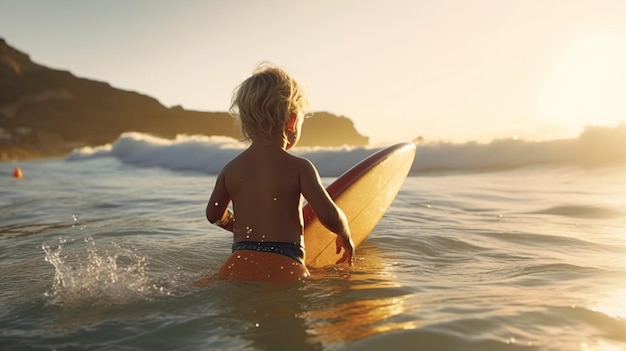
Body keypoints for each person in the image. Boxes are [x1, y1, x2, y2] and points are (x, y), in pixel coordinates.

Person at [205, 64, 355, 282]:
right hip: (287, 263)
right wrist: (345, 232)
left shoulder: (231, 169)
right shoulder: (300, 168)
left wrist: (233, 224)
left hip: (237, 263)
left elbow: (213, 214)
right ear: (292, 121)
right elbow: (328, 214)